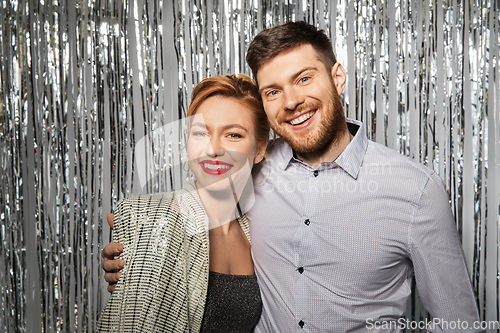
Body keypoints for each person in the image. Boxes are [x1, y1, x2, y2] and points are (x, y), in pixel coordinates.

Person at [103, 22, 482, 332]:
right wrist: (140, 250)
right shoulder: (253, 170)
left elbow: (459, 324)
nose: (290, 102)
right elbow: (197, 199)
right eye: (273, 91)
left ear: (338, 77)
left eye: (303, 79)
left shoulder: (416, 189)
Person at [97, 74, 269, 332]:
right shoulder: (154, 219)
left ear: (259, 149)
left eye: (233, 135)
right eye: (201, 132)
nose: (213, 148)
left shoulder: (255, 226)